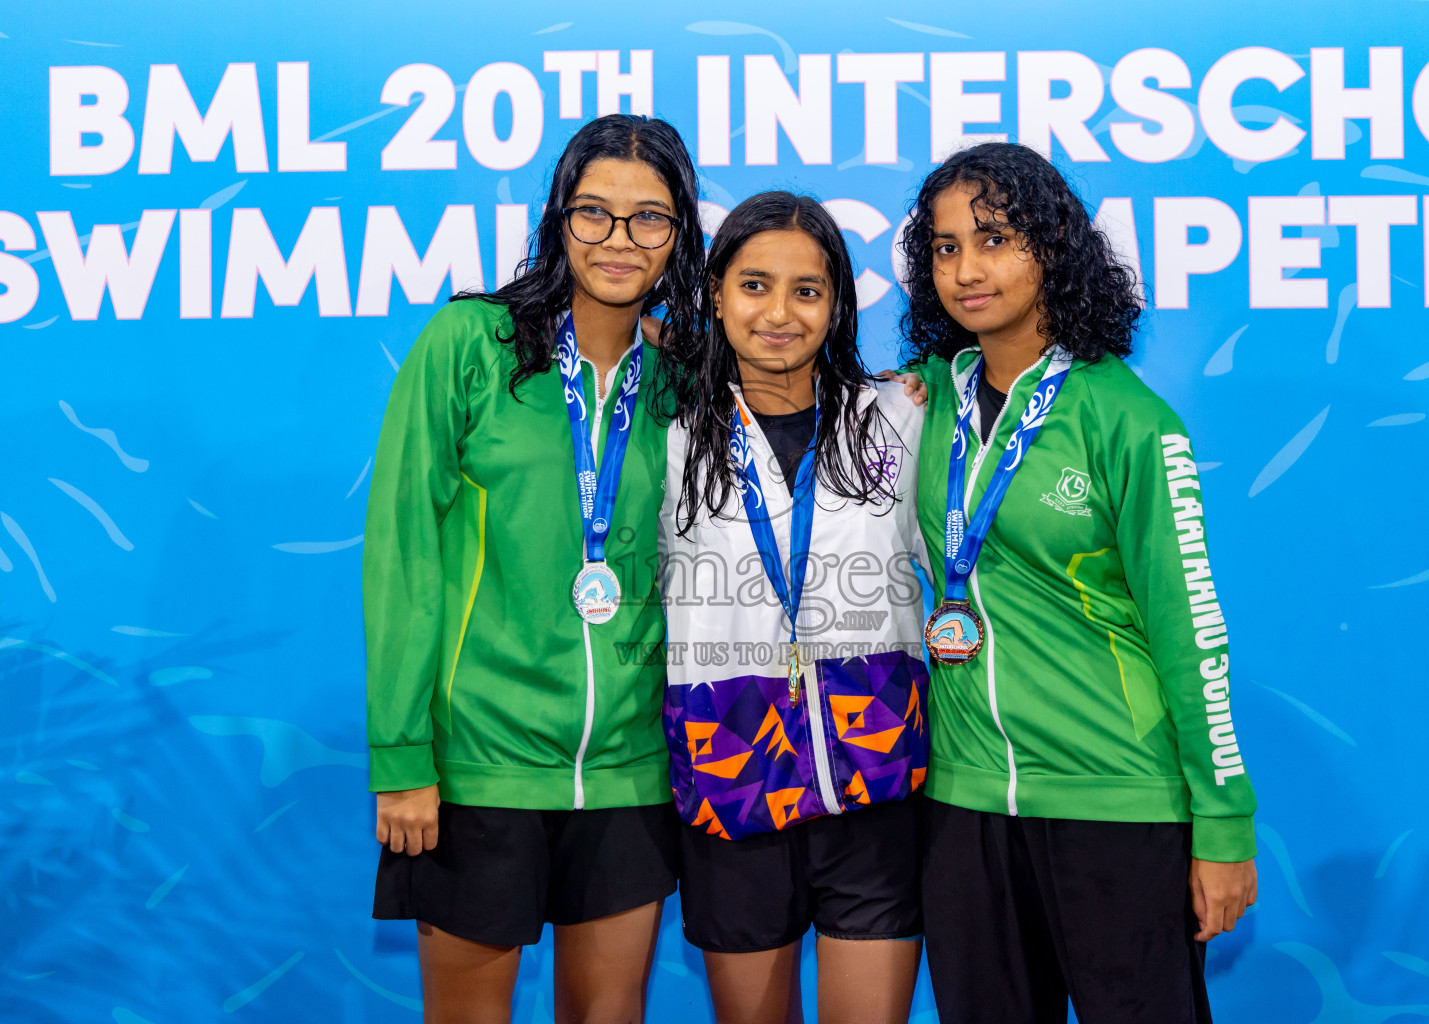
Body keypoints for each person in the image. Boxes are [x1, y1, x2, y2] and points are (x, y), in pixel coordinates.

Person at [900, 142, 1259, 1023]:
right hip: (962, 804)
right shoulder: (913, 403)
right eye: (945, 247)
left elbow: (1192, 633)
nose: (966, 269)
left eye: (993, 239)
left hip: (1114, 802)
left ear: (1054, 245)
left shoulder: (1129, 420)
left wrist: (1222, 823)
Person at [363, 113, 705, 1024]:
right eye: (595, 213)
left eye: (650, 218)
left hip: (633, 770)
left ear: (681, 236)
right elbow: (404, 553)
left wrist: (912, 385)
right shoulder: (472, 345)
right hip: (484, 766)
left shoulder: (687, 377)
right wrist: (403, 756)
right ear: (558, 219)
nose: (620, 240)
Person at [660, 191, 930, 1024]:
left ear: (839, 304)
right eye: (754, 285)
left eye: (807, 291)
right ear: (713, 294)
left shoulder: (899, 419)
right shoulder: (662, 431)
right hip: (729, 763)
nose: (779, 312)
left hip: (876, 773)